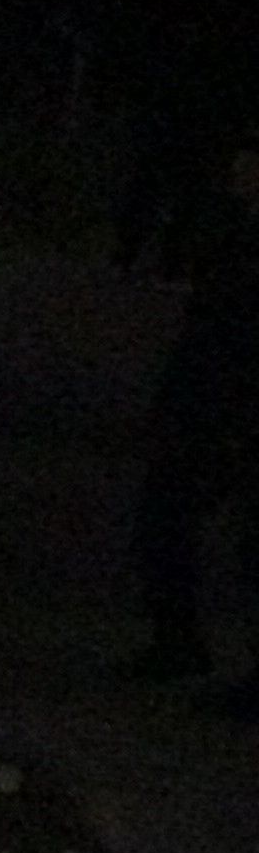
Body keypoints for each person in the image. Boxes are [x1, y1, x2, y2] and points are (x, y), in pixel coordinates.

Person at [121, 131, 259, 708]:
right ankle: (176, 638)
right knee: (168, 515)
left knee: (229, 532)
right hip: (208, 397)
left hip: (229, 402)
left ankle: (187, 643)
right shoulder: (234, 229)